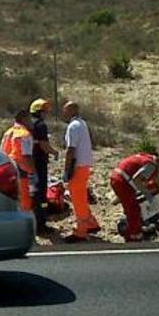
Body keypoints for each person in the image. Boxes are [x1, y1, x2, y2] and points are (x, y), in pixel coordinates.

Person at [111, 153, 159, 242]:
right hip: (122, 181)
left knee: (131, 208)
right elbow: (137, 180)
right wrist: (149, 197)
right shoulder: (151, 167)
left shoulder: (147, 158)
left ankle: (131, 230)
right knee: (133, 209)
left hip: (118, 177)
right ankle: (134, 235)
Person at [62, 101, 100, 243]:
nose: (63, 113)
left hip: (77, 166)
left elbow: (71, 149)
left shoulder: (73, 126)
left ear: (71, 111)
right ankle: (91, 223)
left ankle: (81, 231)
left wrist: (66, 169)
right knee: (81, 197)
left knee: (78, 200)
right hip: (84, 166)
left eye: (65, 110)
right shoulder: (82, 124)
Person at [30, 98, 59, 233]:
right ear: (40, 112)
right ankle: (41, 224)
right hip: (39, 163)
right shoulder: (41, 125)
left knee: (33, 193)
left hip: (30, 162)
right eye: (45, 112)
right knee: (41, 194)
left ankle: (35, 221)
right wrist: (54, 152)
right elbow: (43, 144)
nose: (46, 114)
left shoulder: (28, 124)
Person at [0, 109, 35, 212]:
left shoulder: (8, 132)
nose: (31, 121)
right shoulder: (24, 134)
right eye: (29, 119)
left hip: (7, 170)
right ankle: (26, 222)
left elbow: (1, 150)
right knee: (25, 199)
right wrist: (33, 173)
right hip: (22, 171)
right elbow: (26, 156)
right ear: (24, 119)